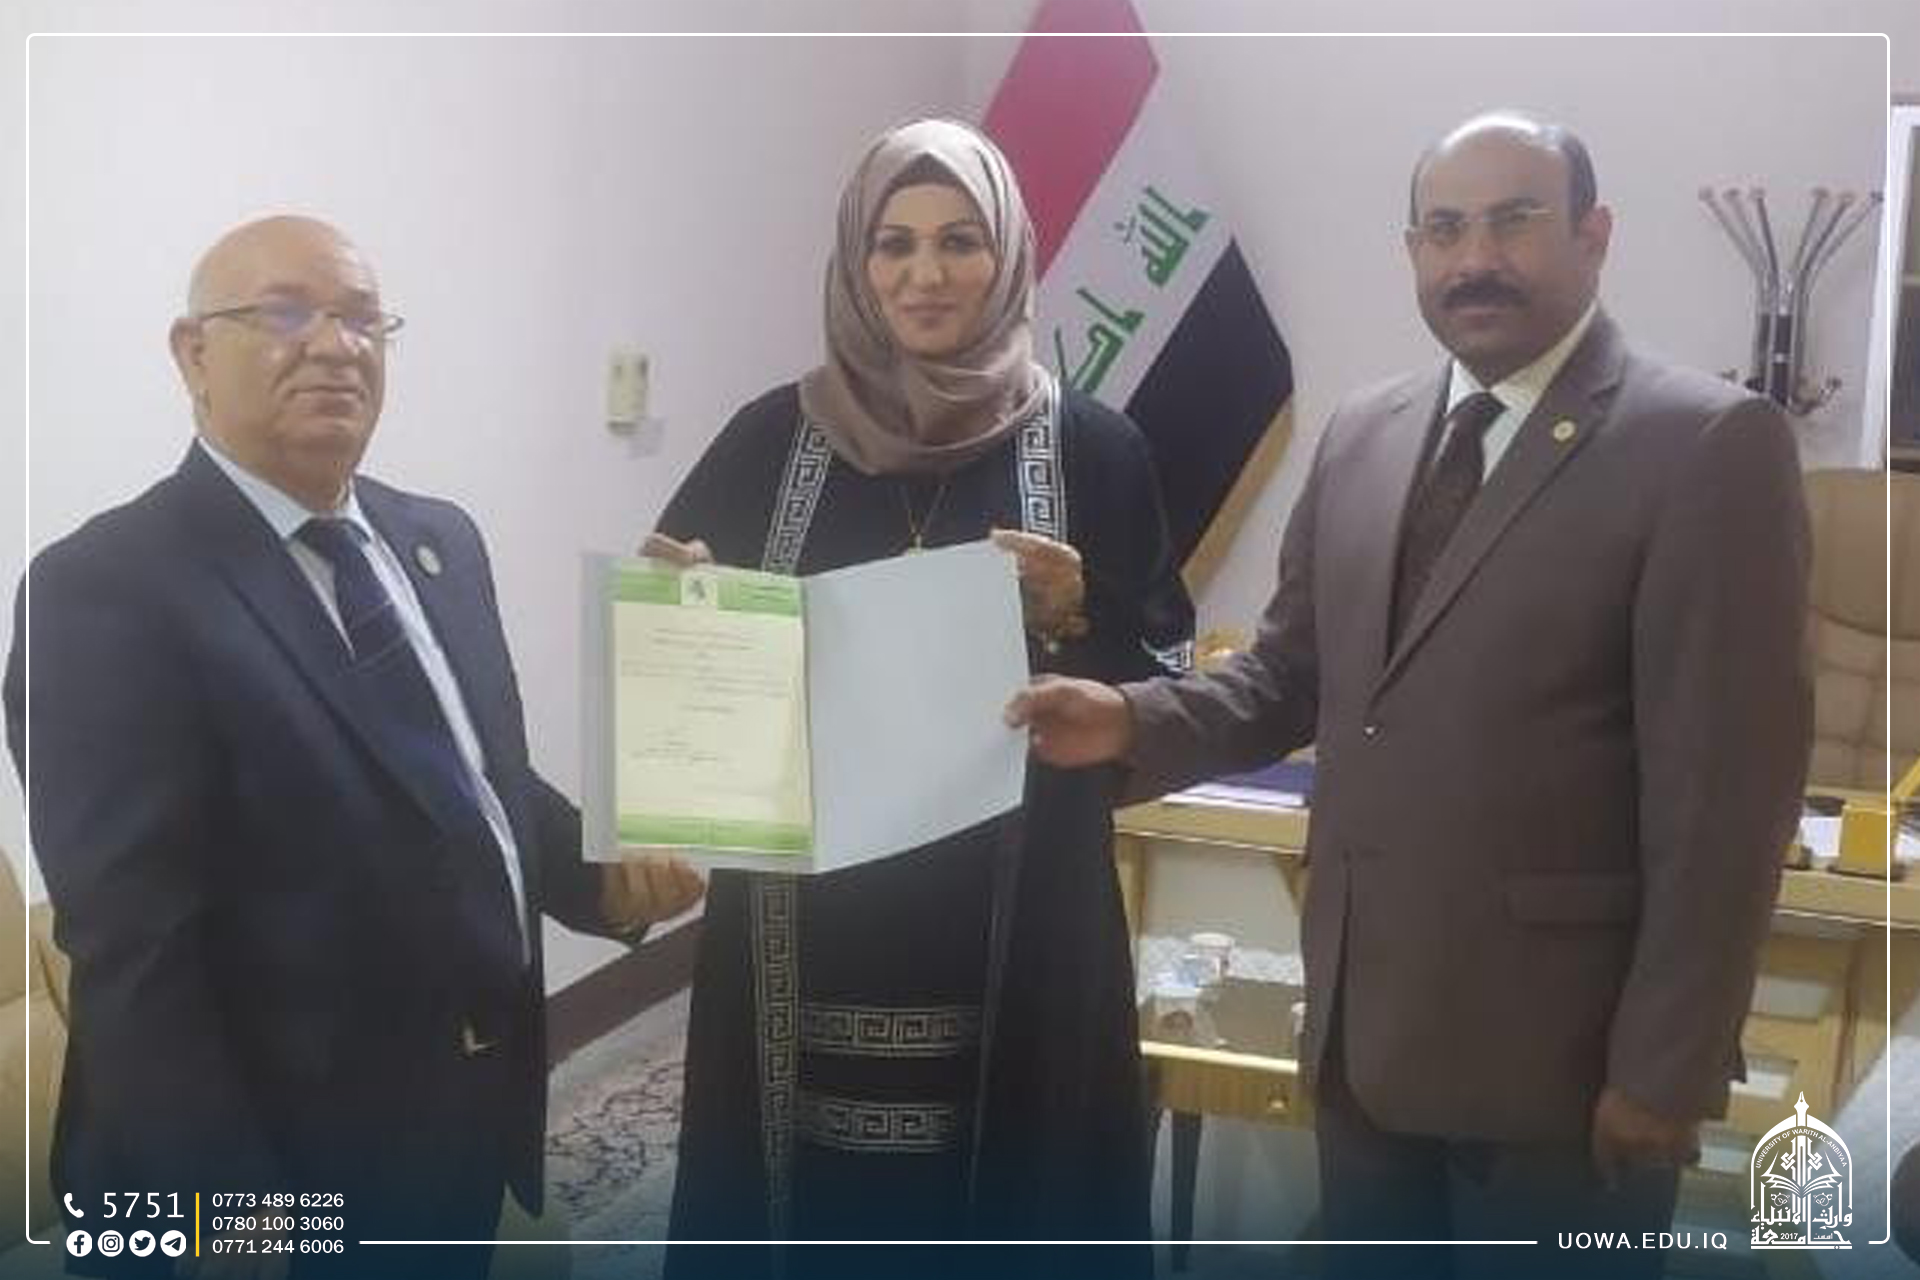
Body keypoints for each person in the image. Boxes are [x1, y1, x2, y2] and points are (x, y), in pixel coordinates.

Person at [1010, 111, 1811, 1279]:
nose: (1474, 258)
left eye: (1513, 221)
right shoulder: (1366, 432)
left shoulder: (1706, 443)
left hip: (1565, 1073)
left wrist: (1667, 1067)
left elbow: (1726, 799)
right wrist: (1129, 717)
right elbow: (1287, 676)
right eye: (1444, 229)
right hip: (1365, 1041)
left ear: (1593, 236)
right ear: (1412, 252)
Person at [5, 215, 704, 1280]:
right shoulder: (102, 589)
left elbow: (477, 781)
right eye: (286, 313)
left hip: (455, 1120)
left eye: (364, 320)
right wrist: (232, 1219)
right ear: (193, 354)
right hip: (261, 1168)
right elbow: (134, 950)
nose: (336, 345)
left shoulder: (437, 538)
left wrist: (605, 881)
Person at [649, 119, 1193, 1276]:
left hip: (1019, 910)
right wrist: (678, 605)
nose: (925, 273)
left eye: (959, 241)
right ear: (856, 262)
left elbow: (1171, 676)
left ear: (1009, 256)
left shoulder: (1093, 449)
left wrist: (1081, 609)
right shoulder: (769, 441)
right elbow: (686, 660)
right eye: (893, 243)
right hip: (807, 914)